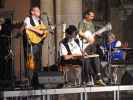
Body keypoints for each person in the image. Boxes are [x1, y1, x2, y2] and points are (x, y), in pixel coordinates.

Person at [78, 9, 106, 86]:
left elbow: (92, 34)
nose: (92, 17)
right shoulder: (82, 22)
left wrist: (97, 34)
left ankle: (98, 78)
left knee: (95, 58)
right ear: (86, 15)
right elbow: (80, 32)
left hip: (91, 45)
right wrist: (87, 37)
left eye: (93, 16)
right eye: (91, 16)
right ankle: (88, 79)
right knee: (87, 59)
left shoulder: (91, 23)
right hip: (85, 45)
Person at [23, 6, 47, 88]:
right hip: (31, 43)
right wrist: (38, 31)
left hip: (38, 43)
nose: (39, 12)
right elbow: (27, 27)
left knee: (38, 62)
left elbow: (43, 31)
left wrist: (44, 34)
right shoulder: (28, 19)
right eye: (37, 10)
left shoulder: (40, 21)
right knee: (31, 62)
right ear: (32, 12)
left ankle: (38, 82)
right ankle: (31, 82)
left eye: (39, 10)